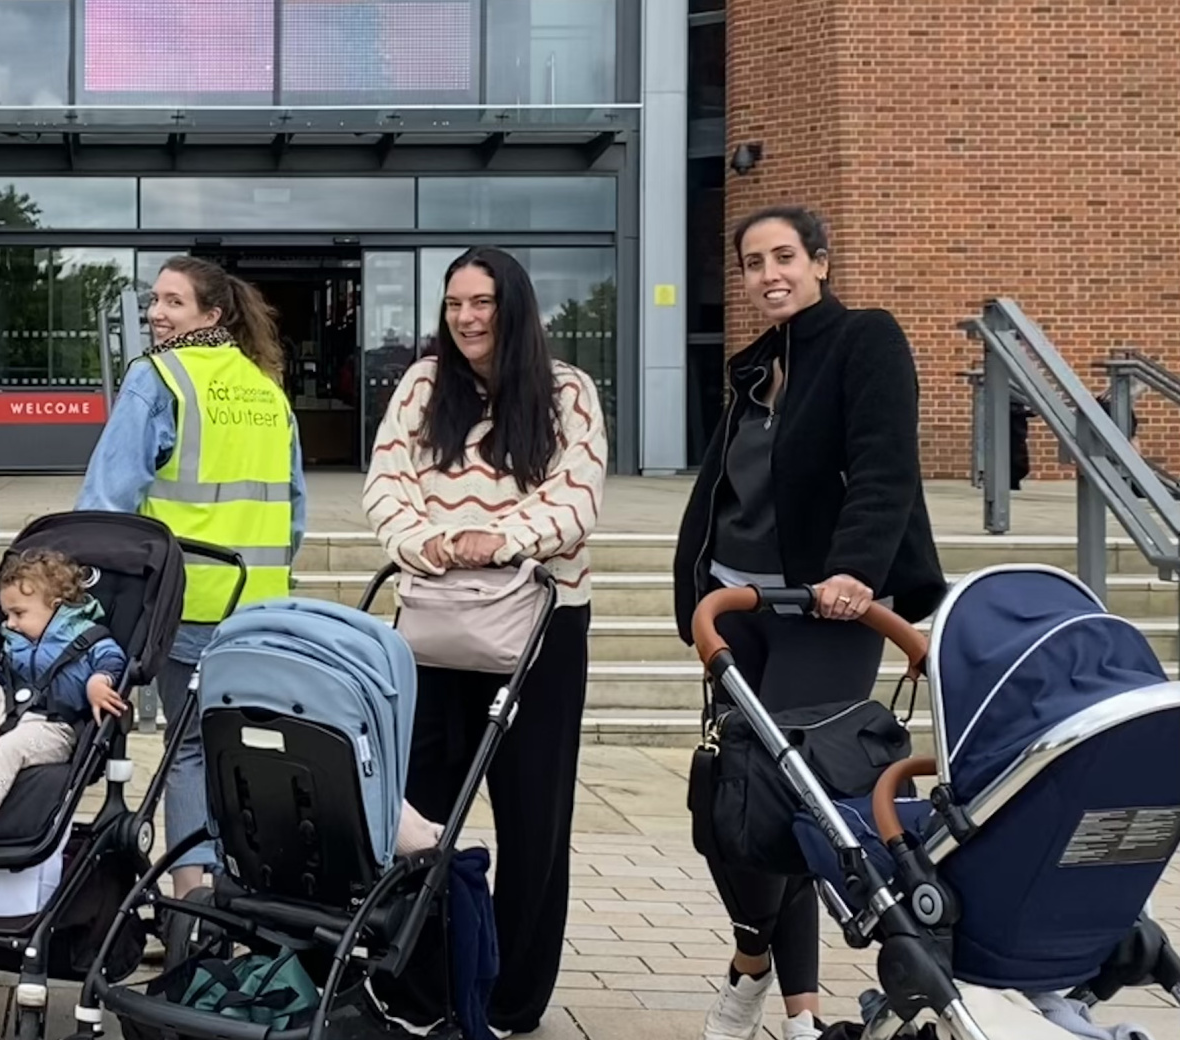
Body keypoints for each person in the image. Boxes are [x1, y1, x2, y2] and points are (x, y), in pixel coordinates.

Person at [670, 205, 946, 1040]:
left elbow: (884, 465)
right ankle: (786, 995)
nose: (768, 275)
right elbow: (728, 491)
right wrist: (693, 594)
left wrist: (855, 572)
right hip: (739, 613)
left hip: (825, 613)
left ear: (820, 262)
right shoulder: (756, 368)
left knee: (789, 800)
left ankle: (772, 993)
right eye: (753, 264)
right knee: (729, 803)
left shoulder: (865, 340)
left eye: (784, 257)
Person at [362, 246, 606, 1038]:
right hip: (434, 620)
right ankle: (420, 982)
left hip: (540, 623)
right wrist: (434, 544)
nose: (467, 317)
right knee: (421, 809)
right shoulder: (422, 387)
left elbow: (576, 499)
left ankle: (511, 999)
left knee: (535, 815)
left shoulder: (568, 391)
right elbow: (386, 486)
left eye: (483, 302)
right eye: (455, 302)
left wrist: (489, 540)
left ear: (516, 306)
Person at [75, 254, 307, 905]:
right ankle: (245, 885)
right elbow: (294, 512)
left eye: (174, 302)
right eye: (155, 300)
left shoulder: (158, 379)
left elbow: (106, 499)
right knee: (243, 751)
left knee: (189, 751)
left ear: (212, 313)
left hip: (189, 607)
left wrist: (80, 583)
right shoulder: (267, 390)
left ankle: (189, 898)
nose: (156, 313)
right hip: (261, 611)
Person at [0, 547, 129, 855]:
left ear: (56, 607)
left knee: (9, 747)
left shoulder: (88, 636)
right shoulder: (15, 639)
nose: (11, 623)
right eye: (6, 615)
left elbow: (113, 658)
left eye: (19, 613)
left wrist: (99, 681)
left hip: (53, 729)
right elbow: (5, 679)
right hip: (9, 716)